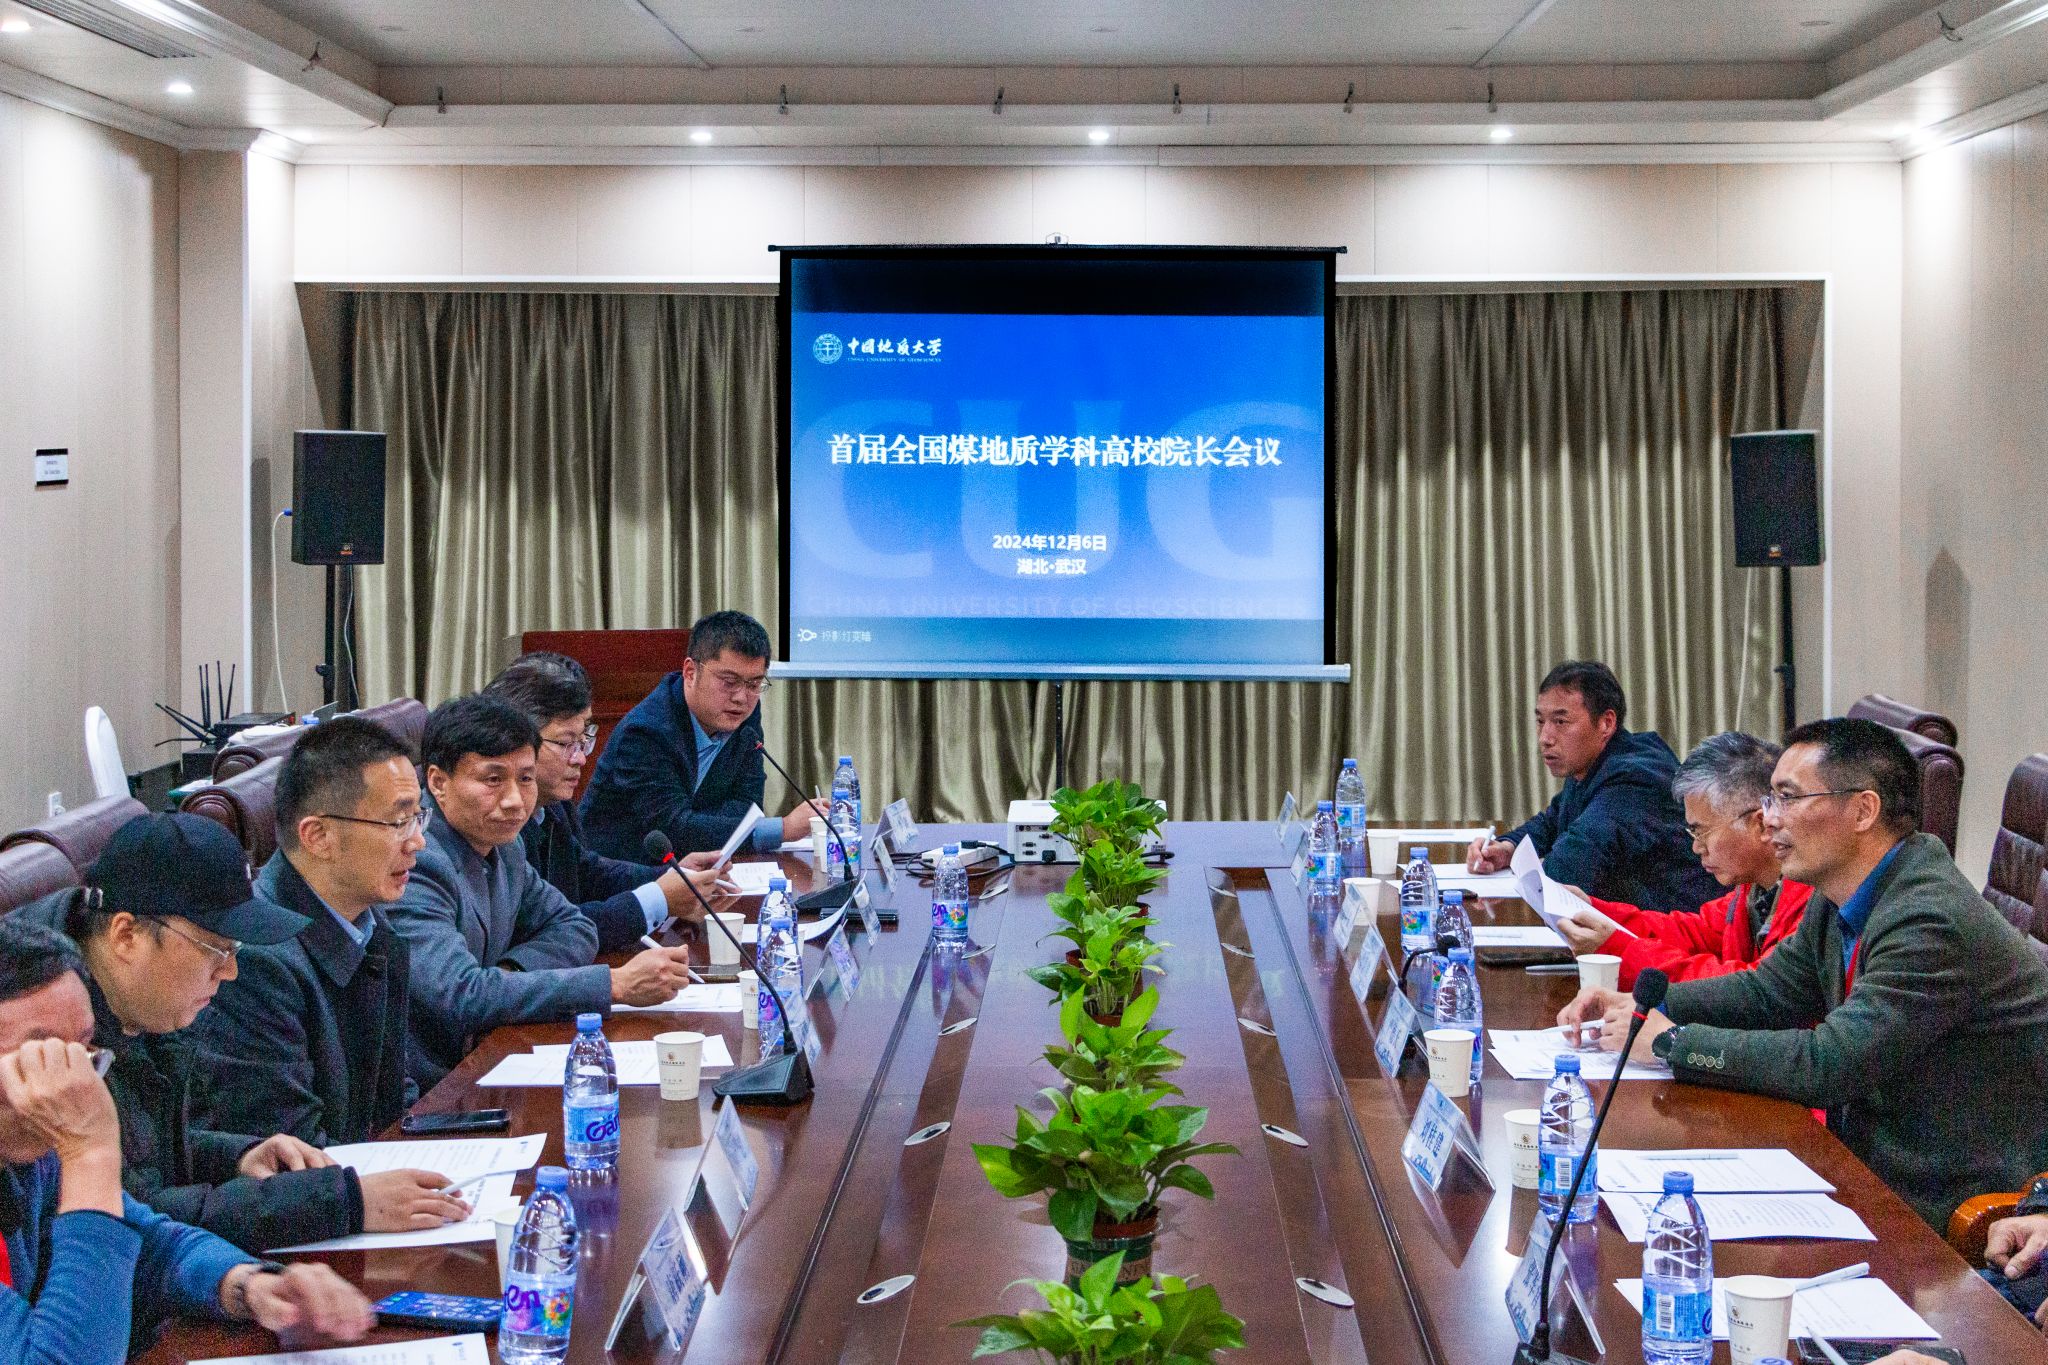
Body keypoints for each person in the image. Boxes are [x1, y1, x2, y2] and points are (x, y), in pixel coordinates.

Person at [1558, 717, 2048, 1230]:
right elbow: (1768, 991)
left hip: (1938, 1198)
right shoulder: (1842, 892)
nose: (1769, 819)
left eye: (1787, 798)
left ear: (1863, 811)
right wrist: (1644, 1008)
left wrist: (1671, 1042)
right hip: (1864, 1162)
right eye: (1770, 799)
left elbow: (1830, 1063)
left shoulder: (1929, 918)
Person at [13, 813, 464, 1254]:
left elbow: (149, 1149)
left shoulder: (142, 1001)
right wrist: (345, 1203)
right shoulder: (43, 1033)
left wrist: (238, 1156)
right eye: (215, 949)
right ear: (127, 936)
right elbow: (128, 1215)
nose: (229, 972)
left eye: (236, 949)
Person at [0, 917, 373, 1365]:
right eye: (41, 1056)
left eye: (84, 1052)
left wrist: (250, 1286)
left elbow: (153, 1246)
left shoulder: (32, 1154)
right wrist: (91, 1157)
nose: (74, 1083)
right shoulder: (56, 1142)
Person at [194, 719, 473, 1234]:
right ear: (318, 836)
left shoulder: (375, 928)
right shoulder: (255, 963)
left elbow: (391, 1105)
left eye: (418, 818)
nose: (417, 843)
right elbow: (288, 1161)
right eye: (397, 822)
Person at [386, 694, 700, 1085]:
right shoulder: (417, 860)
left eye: (526, 778)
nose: (514, 801)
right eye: (493, 780)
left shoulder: (506, 844)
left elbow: (575, 926)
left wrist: (508, 974)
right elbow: (460, 996)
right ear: (438, 782)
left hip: (489, 1055)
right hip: (432, 1082)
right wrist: (613, 984)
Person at [484, 652, 728, 952]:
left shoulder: (554, 804)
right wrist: (658, 898)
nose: (580, 758)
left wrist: (673, 878)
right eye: (566, 743)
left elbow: (586, 872)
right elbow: (545, 931)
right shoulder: (498, 822)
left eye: (584, 739)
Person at [1552, 732, 1815, 986]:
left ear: (1760, 824)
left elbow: (1749, 989)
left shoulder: (1811, 901)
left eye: (1702, 831)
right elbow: (1693, 932)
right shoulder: (1752, 889)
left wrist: (1619, 949)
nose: (1696, 847)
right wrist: (1594, 911)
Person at [1467, 660, 1718, 910]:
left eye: (1560, 722)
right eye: (1541, 721)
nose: (1545, 738)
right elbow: (1551, 822)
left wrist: (1531, 869)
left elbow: (1568, 868)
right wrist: (1506, 847)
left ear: (1606, 723)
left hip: (1678, 925)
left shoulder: (1634, 778)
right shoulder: (1591, 764)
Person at [577, 610, 816, 859]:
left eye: (754, 684)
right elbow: (672, 829)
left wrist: (696, 824)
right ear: (690, 672)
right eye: (729, 681)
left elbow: (748, 805)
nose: (741, 697)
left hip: (699, 865)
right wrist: (782, 829)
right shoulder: (645, 732)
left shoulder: (744, 715)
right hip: (622, 871)